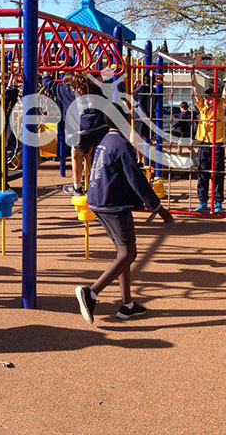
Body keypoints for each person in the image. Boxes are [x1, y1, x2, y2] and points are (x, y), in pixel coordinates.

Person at [75, 103, 173, 324]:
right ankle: (91, 292)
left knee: (123, 254)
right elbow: (136, 179)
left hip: (98, 201)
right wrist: (158, 208)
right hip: (112, 204)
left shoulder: (103, 142)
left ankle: (127, 304)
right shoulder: (121, 144)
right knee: (128, 254)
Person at [41, 70, 108, 195]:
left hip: (82, 129)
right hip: (101, 126)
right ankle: (97, 184)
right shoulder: (92, 87)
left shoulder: (66, 90)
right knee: (89, 153)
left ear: (68, 83)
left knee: (76, 154)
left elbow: (49, 85)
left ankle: (77, 186)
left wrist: (45, 74)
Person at [191, 69, 226, 214]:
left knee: (218, 174)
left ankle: (218, 203)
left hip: (217, 145)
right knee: (203, 173)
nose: (208, 102)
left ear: (216, 99)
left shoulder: (220, 107)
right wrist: (192, 73)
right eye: (207, 99)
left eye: (211, 99)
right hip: (204, 145)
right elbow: (196, 90)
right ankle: (203, 201)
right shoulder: (202, 107)